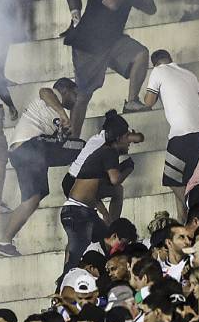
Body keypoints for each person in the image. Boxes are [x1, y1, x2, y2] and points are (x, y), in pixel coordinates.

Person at [65, 0, 154, 137]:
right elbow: (113, 3)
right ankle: (73, 138)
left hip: (113, 41)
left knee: (141, 54)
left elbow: (151, 8)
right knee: (83, 95)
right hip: (88, 44)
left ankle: (131, 101)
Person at [0, 78, 80, 257]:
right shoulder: (53, 96)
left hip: (23, 153)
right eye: (75, 94)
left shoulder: (54, 112)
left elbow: (57, 141)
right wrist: (62, 113)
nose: (76, 99)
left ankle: (4, 242)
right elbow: (44, 92)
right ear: (64, 91)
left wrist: (63, 135)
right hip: (30, 146)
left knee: (33, 200)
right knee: (81, 147)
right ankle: (82, 195)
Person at [60, 110, 142, 269]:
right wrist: (128, 169)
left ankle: (111, 234)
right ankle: (63, 286)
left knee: (105, 240)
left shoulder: (106, 150)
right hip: (78, 211)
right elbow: (115, 179)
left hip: (83, 210)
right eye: (127, 138)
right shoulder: (109, 151)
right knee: (74, 259)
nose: (129, 142)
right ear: (118, 138)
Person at [143, 50, 199, 214]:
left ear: (154, 63)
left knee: (172, 178)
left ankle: (196, 209)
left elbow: (148, 102)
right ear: (171, 59)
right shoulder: (189, 73)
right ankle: (184, 218)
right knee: (184, 179)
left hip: (181, 133)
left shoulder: (157, 71)